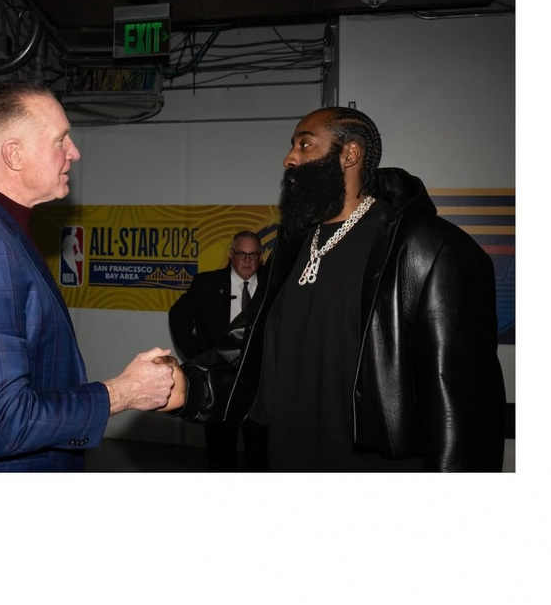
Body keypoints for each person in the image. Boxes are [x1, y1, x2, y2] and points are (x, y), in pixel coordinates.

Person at [168, 106, 507, 472]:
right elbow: (249, 351)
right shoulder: (291, 250)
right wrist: (185, 386)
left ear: (350, 154)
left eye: (305, 144)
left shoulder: (428, 248)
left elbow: (465, 408)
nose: (289, 158)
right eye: (292, 146)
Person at [0, 81, 179, 472]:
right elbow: (3, 423)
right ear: (14, 155)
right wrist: (124, 392)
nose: (74, 152)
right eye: (60, 139)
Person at [168, 232, 268, 471]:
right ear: (232, 255)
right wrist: (200, 357)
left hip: (259, 382)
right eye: (242, 254)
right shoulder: (207, 284)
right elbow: (178, 317)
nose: (247, 260)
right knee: (220, 454)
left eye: (253, 255)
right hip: (220, 381)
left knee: (260, 453)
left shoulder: (270, 286)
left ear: (261, 257)